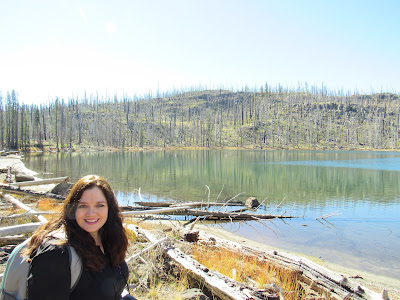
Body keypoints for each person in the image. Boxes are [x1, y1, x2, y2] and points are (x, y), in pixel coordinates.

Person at [23, 175, 130, 300]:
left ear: (109, 208)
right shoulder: (57, 255)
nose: (91, 213)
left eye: (99, 205)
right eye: (83, 206)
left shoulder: (110, 240)